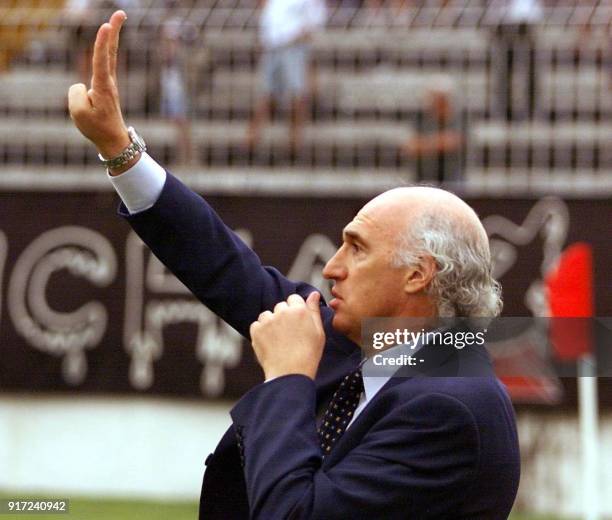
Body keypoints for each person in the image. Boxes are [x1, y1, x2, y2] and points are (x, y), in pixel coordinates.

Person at [68, 11, 520, 519]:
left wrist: (287, 378)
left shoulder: (451, 408)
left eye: (357, 248)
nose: (332, 267)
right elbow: (227, 269)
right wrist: (119, 149)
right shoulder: (367, 347)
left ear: (419, 274)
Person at [246, 0, 327, 159]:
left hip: (293, 46)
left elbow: (316, 19)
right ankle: (251, 144)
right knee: (266, 95)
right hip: (272, 46)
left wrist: (298, 36)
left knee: (297, 96)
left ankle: (294, 146)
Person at [401, 80, 465, 186]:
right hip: (422, 179)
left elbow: (453, 142)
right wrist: (437, 142)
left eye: (440, 99)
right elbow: (410, 146)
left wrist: (425, 144)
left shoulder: (459, 119)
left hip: (452, 178)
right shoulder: (421, 119)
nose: (436, 103)